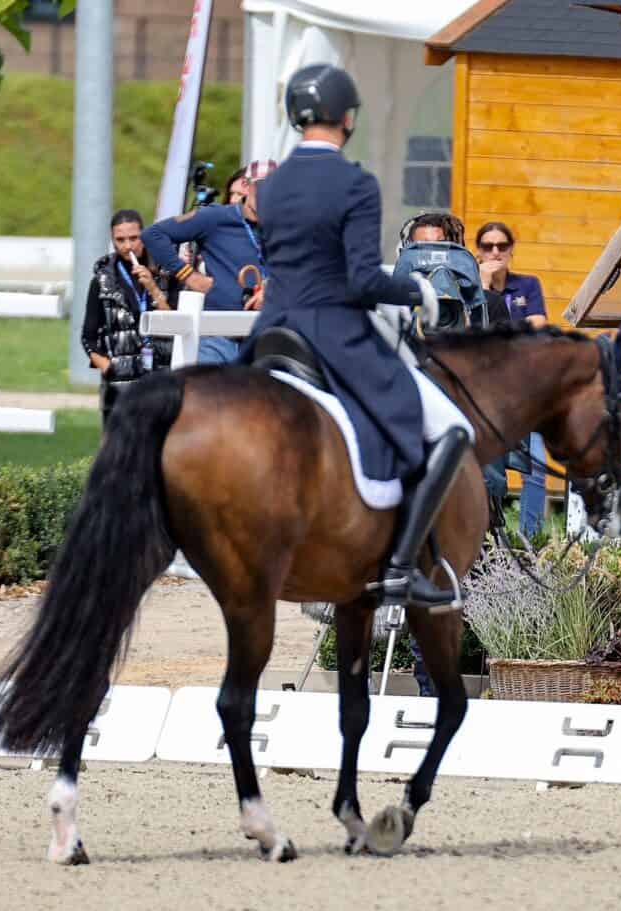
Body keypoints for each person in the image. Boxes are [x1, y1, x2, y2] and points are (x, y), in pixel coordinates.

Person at [239, 63, 473, 611]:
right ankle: (398, 571)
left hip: (271, 332)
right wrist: (417, 291)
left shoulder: (268, 188)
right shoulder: (355, 184)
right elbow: (363, 280)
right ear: (347, 118)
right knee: (450, 430)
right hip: (332, 332)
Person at [142, 159, 276, 364]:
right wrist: (188, 275)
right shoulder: (216, 217)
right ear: (247, 186)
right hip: (217, 337)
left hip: (264, 337)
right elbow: (154, 234)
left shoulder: (288, 227)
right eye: (261, 187)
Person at [474, 220, 547, 538]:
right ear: (477, 251)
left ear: (511, 249)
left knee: (535, 468)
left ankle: (530, 538)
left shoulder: (527, 285)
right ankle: (488, 533)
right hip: (484, 391)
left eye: (501, 246)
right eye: (488, 246)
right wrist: (485, 289)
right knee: (487, 468)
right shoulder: (471, 290)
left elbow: (539, 328)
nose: (495, 252)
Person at [81, 209, 178, 426]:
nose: (128, 246)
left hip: (160, 377)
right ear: (113, 241)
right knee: (120, 451)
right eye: (120, 240)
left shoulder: (166, 274)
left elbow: (176, 324)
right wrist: (108, 367)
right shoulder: (103, 280)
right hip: (119, 383)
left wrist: (153, 289)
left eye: (134, 238)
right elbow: (88, 337)